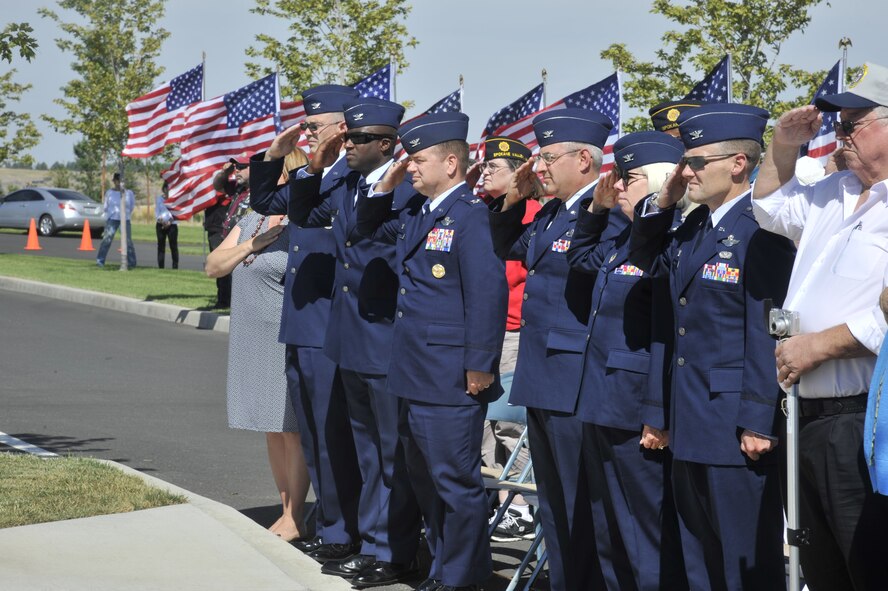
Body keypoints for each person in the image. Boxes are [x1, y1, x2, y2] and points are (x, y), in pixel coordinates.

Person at [629, 103, 796, 590]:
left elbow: (763, 328)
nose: (686, 172)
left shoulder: (759, 229)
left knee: (743, 558)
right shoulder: (693, 225)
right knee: (698, 550)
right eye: (685, 161)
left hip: (733, 422)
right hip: (690, 416)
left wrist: (758, 418)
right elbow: (647, 266)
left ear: (738, 163)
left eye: (697, 162)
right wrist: (663, 204)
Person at [356, 111, 508, 591]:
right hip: (414, 371)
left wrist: (480, 365)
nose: (410, 167)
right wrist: (387, 185)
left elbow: (488, 293)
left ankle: (464, 579)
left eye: (418, 159)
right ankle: (444, 570)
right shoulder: (419, 211)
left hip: (449, 376)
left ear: (451, 162)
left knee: (454, 482)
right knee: (424, 480)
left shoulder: (470, 214)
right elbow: (368, 228)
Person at [751, 61, 888, 590]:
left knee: (868, 566)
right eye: (839, 123)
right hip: (805, 418)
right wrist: (782, 146)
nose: (840, 135)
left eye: (853, 123)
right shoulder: (833, 192)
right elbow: (767, 206)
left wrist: (823, 345)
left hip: (864, 421)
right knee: (823, 571)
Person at [285, 96, 422, 587]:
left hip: (384, 335)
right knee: (365, 449)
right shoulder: (349, 185)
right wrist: (313, 166)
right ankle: (369, 541)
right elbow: (304, 213)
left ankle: (392, 551)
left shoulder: (404, 190)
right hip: (349, 336)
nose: (350, 144)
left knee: (390, 452)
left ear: (386, 144)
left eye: (361, 139)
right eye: (350, 136)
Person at [489, 107, 615, 591]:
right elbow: (508, 247)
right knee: (555, 501)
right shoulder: (552, 213)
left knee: (580, 501)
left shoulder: (603, 215)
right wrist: (511, 198)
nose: (538, 167)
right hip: (542, 372)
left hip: (575, 376)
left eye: (548, 157)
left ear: (584, 159)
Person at [566, 131, 688, 590]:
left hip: (636, 407)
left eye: (629, 178)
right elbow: (579, 259)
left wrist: (656, 413)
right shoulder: (625, 240)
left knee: (644, 531)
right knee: (609, 527)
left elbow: (665, 336)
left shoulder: (666, 244)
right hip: (602, 400)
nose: (617, 186)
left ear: (658, 184)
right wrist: (596, 211)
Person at [249, 84, 362, 564]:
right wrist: (275, 154)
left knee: (337, 433)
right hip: (302, 321)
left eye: (314, 126)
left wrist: (315, 168)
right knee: (316, 433)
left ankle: (345, 530)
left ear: (342, 129)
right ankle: (331, 523)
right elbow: (264, 200)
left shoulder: (355, 176)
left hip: (330, 321)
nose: (306, 133)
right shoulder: (315, 174)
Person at [205, 205, 310, 543]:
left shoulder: (305, 221)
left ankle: (297, 516)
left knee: (291, 429)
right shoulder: (253, 220)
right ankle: (284, 510)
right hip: (251, 337)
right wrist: (252, 244)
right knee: (271, 429)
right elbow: (213, 266)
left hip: (284, 336)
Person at [470, 136, 540, 542]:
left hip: (513, 331)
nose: (486, 173)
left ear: (519, 174)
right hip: (486, 331)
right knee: (481, 423)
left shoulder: (530, 215)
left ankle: (518, 506)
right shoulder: (482, 211)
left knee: (508, 424)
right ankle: (495, 499)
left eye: (494, 167)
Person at [96, 172, 137, 268]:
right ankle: (100, 261)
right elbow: (106, 207)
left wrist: (125, 214)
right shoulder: (109, 193)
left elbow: (131, 206)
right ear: (114, 181)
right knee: (107, 240)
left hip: (125, 219)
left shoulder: (129, 193)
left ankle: (132, 263)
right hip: (113, 219)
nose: (119, 183)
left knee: (128, 242)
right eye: (117, 180)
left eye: (121, 181)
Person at [154, 182, 178, 269]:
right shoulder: (159, 199)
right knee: (161, 246)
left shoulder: (174, 200)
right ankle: (161, 267)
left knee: (173, 247)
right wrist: (163, 222)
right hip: (161, 224)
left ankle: (175, 267)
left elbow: (176, 213)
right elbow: (157, 213)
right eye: (166, 188)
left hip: (172, 225)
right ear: (163, 189)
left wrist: (169, 223)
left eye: (170, 189)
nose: (168, 190)